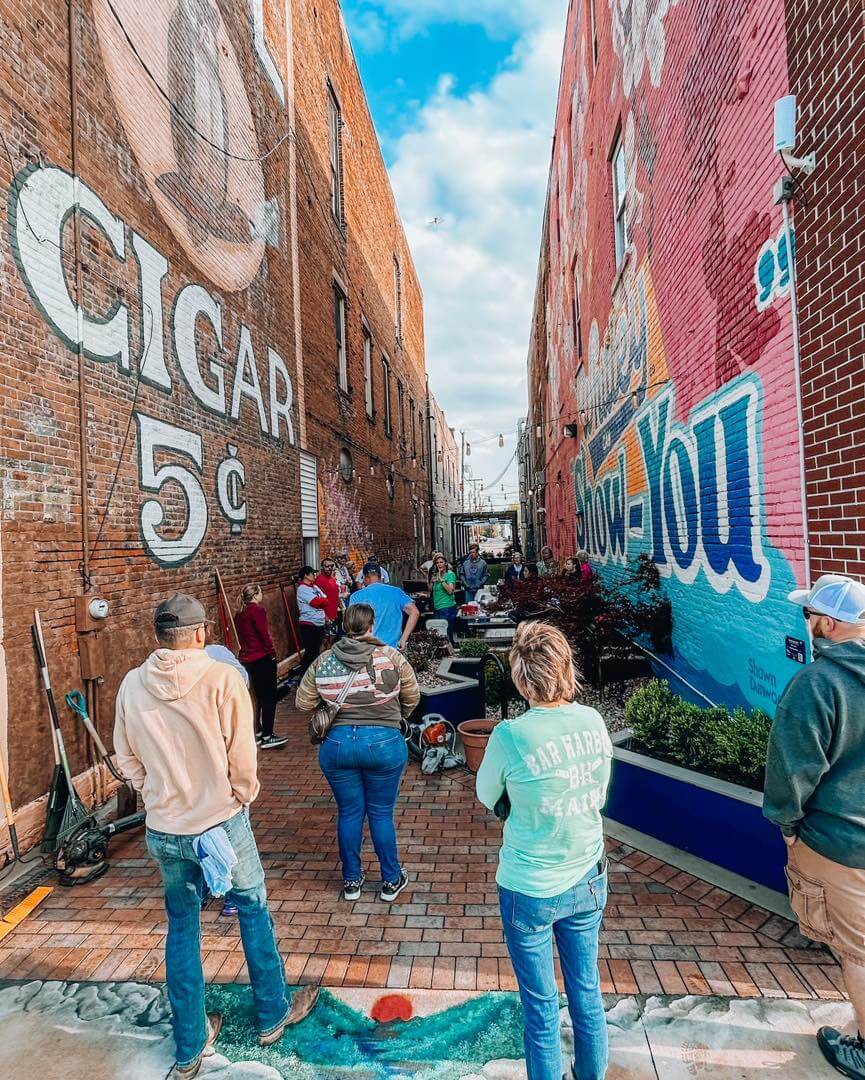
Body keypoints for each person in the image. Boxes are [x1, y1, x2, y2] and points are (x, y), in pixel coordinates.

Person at [114, 594, 318, 1077]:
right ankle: (272, 1012)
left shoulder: (131, 684)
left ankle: (189, 1044)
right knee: (252, 907)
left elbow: (124, 758)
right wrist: (241, 795)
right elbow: (243, 755)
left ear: (159, 637)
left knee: (182, 925)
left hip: (166, 826)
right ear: (201, 633)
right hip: (220, 819)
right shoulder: (223, 678)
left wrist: (154, 792)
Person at [476, 621, 612, 1080]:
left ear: (520, 678)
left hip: (529, 885)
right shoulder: (593, 721)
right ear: (565, 669)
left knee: (539, 1004)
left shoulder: (511, 736)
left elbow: (485, 792)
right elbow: (599, 789)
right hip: (587, 874)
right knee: (586, 990)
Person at [763, 574, 865, 1079]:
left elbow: (791, 770)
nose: (805, 621)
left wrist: (786, 826)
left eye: (808, 614)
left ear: (826, 622)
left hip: (840, 847)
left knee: (858, 953)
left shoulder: (816, 686)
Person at [297, 603, 420, 903]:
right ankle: (391, 880)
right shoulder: (390, 657)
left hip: (337, 745)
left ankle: (352, 880)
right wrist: (391, 715)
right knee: (380, 812)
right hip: (384, 743)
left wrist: (333, 708)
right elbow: (413, 696)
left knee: (350, 812)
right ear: (371, 626)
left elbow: (302, 703)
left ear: (344, 625)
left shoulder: (324, 661)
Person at [235, 584, 287, 751]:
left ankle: (259, 731)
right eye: (260, 591)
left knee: (257, 696)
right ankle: (267, 735)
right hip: (261, 657)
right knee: (269, 698)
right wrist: (272, 654)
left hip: (247, 658)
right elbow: (264, 634)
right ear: (256, 594)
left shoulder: (240, 613)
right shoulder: (257, 611)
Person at [349, 562, 420, 650]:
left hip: (366, 650)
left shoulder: (356, 596)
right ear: (380, 576)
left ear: (365, 578)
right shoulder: (396, 592)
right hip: (392, 649)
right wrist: (403, 639)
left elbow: (350, 624)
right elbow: (415, 612)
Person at [297, 566, 328, 678]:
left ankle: (313, 675)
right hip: (309, 624)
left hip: (319, 623)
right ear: (306, 575)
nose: (314, 576)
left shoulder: (314, 587)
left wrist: (323, 601)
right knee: (311, 652)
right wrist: (323, 601)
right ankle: (304, 676)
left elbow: (325, 599)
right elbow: (315, 602)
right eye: (312, 574)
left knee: (316, 651)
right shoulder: (302, 589)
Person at [430, 552, 459, 641]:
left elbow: (450, 590)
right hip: (437, 607)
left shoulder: (450, 574)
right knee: (437, 633)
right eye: (437, 563)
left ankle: (451, 651)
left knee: (446, 632)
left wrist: (442, 580)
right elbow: (430, 590)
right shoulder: (436, 575)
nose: (439, 564)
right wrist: (431, 581)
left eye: (441, 562)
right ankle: (444, 652)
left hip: (447, 607)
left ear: (445, 563)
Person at [315, 558, 342, 643]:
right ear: (322, 567)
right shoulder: (319, 580)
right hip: (325, 616)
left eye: (331, 565)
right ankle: (323, 656)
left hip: (334, 614)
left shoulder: (332, 579)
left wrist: (341, 607)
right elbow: (318, 600)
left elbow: (335, 595)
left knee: (332, 637)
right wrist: (325, 617)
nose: (329, 568)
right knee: (325, 640)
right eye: (327, 566)